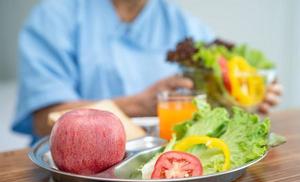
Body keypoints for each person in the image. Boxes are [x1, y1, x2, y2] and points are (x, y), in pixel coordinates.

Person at [12, 0, 282, 144]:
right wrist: (137, 104)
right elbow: (44, 118)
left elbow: (216, 91)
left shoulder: (181, 22)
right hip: (76, 174)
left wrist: (244, 96)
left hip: (159, 165)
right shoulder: (54, 16)